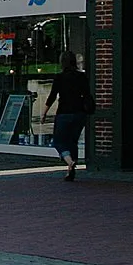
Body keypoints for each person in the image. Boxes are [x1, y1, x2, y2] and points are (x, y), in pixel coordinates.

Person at [45, 50, 92, 182]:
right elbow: (87, 94)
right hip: (79, 113)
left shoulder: (60, 77)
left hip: (64, 113)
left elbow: (52, 97)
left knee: (58, 141)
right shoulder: (81, 77)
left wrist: (44, 112)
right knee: (73, 141)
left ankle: (69, 161)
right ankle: (71, 171)